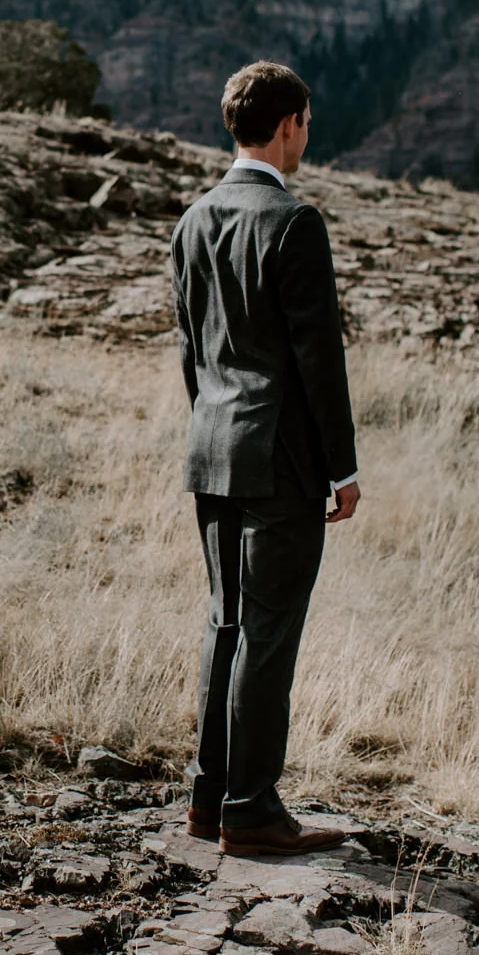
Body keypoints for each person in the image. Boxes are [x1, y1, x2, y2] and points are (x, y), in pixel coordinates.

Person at [168, 61, 361, 859]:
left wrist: (212, 421)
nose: (306, 139)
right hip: (279, 456)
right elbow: (320, 359)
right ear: (287, 125)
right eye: (305, 125)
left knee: (226, 621)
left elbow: (191, 349)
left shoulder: (194, 219)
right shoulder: (293, 221)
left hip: (212, 447)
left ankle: (208, 798)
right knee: (269, 631)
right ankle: (251, 807)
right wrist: (341, 468)